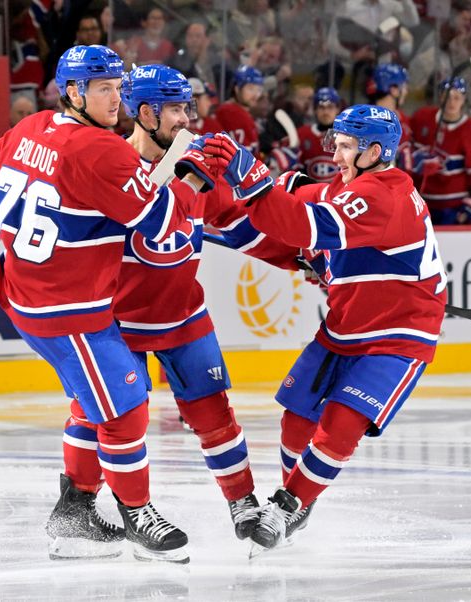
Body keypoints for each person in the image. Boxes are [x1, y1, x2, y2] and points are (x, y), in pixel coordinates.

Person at [0, 45, 216, 564]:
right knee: (127, 407)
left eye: (117, 86)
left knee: (93, 401)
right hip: (69, 310)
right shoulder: (103, 151)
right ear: (74, 91)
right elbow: (165, 225)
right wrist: (193, 178)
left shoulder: (30, 127)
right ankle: (137, 512)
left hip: (27, 295)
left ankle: (74, 514)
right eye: (103, 88)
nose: (115, 98)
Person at [198, 105, 447, 551]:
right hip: (346, 324)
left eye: (346, 147)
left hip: (398, 333)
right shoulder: (348, 186)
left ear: (376, 151)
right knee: (297, 420)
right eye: (337, 143)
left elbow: (299, 224)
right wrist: (208, 194)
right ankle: (298, 501)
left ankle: (290, 504)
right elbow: (276, 213)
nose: (335, 155)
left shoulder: (382, 195)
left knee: (341, 421)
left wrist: (247, 171)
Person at [113, 63, 299, 544]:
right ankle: (99, 509)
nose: (187, 119)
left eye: (188, 108)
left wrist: (300, 261)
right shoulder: (110, 163)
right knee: (113, 419)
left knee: (215, 414)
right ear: (146, 112)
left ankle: (242, 503)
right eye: (177, 109)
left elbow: (241, 230)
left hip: (182, 315)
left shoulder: (199, 166)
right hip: (117, 323)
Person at [410, 77, 471, 225]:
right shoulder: (422, 119)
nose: (452, 102)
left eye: (457, 97)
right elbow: (408, 150)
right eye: (447, 96)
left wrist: (470, 208)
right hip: (422, 203)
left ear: (464, 99)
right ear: (440, 97)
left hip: (454, 207)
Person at [371, 63, 413, 173]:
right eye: (403, 87)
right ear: (394, 89)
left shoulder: (403, 119)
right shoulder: (366, 121)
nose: (406, 92)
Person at [295, 87, 342, 183]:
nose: (326, 112)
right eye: (321, 107)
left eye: (330, 107)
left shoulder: (347, 136)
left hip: (339, 194)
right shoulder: (302, 133)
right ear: (315, 109)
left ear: (337, 109)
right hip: (310, 193)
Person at [215, 65, 264, 155]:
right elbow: (243, 157)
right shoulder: (230, 112)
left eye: (259, 90)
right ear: (237, 89)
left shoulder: (243, 112)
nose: (256, 95)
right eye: (251, 88)